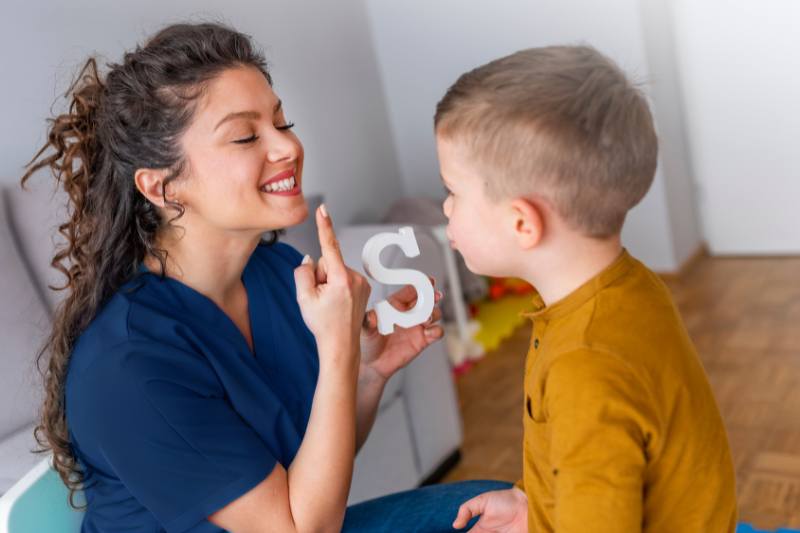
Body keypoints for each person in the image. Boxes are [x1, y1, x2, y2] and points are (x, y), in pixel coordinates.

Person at [22, 21, 509, 533]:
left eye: (282, 122)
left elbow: (310, 470)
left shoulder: (276, 273)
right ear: (162, 187)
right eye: (246, 136)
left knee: (503, 513)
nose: (288, 147)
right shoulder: (129, 362)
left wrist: (365, 374)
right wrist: (337, 350)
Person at [434, 45, 738, 532]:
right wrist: (532, 502)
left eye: (453, 192)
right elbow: (596, 461)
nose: (446, 209)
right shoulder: (626, 285)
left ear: (521, 223)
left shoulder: (586, 366)